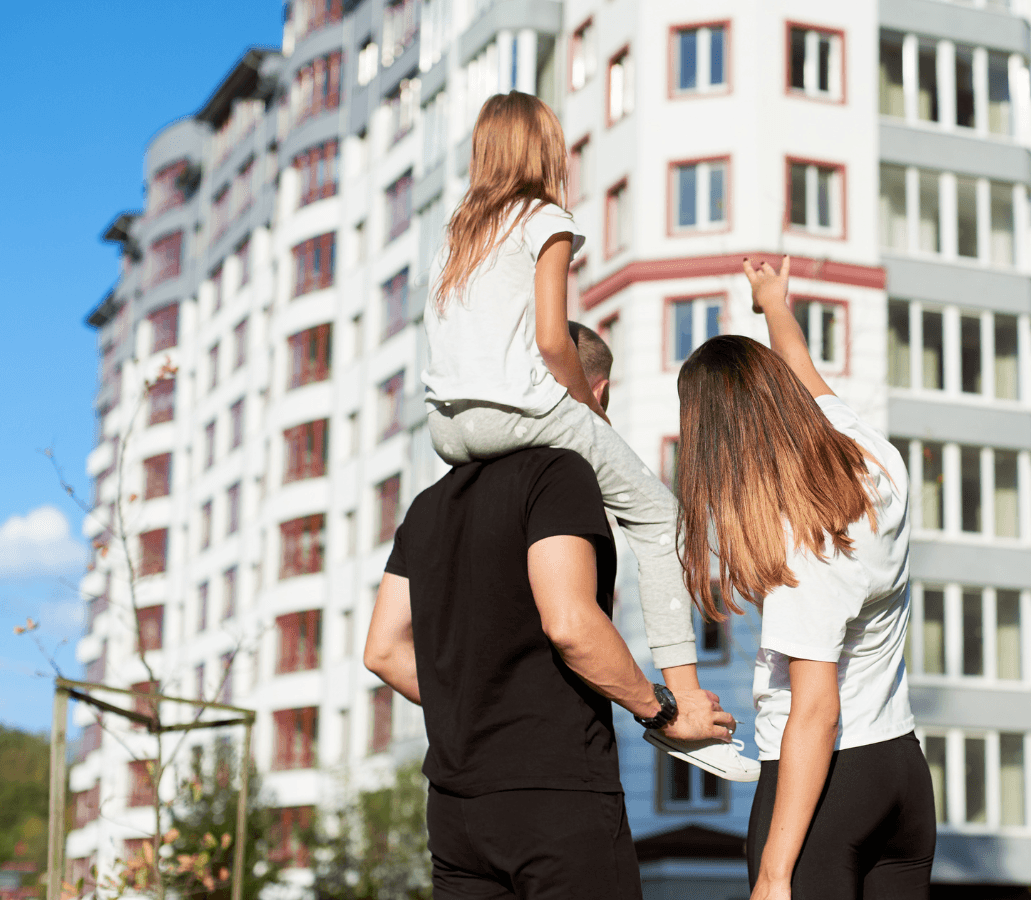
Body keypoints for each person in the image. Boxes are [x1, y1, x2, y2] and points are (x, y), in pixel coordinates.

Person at [420, 90, 755, 781]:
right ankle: (688, 707)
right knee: (660, 515)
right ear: (545, 151)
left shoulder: (456, 236)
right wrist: (589, 413)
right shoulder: (547, 220)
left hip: (447, 428)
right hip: (517, 411)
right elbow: (552, 337)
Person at [364, 323, 739, 899]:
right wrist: (661, 710)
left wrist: (477, 700)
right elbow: (570, 626)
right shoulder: (560, 471)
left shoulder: (430, 502)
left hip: (456, 811)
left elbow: (384, 651)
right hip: (557, 796)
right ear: (600, 392)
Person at [674, 258, 937, 900]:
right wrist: (773, 302)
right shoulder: (870, 454)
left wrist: (774, 870)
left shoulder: (805, 546)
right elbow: (804, 372)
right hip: (901, 774)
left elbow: (816, 712)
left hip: (826, 791)